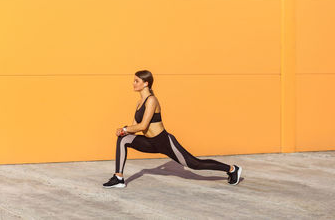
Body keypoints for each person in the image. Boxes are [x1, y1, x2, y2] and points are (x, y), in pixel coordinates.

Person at [103, 70, 242, 188]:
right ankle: (118, 178)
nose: (133, 83)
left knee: (194, 164)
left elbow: (143, 125)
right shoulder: (139, 103)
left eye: (137, 81)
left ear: (146, 83)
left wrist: (124, 128)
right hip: (150, 142)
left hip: (164, 141)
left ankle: (232, 169)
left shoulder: (151, 100)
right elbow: (135, 128)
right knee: (123, 139)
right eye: (134, 81)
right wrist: (123, 131)